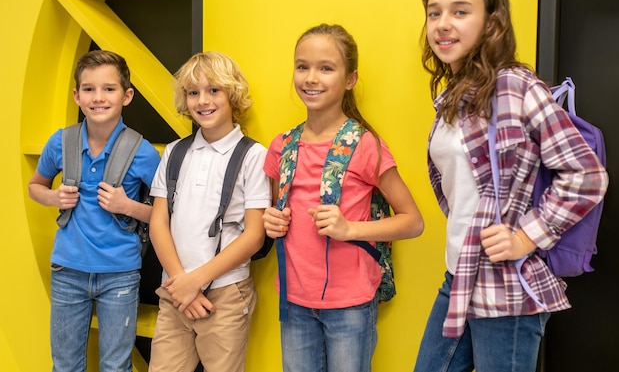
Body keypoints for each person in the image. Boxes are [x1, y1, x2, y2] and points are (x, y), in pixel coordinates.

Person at [413, 0, 609, 372]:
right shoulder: (453, 94)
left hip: (507, 287)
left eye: (460, 12)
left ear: (491, 23)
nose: (443, 24)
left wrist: (525, 237)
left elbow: (587, 176)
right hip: (459, 273)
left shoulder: (515, 87)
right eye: (434, 13)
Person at [262, 23, 425, 372]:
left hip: (350, 303)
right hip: (293, 300)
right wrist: (271, 221)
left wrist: (349, 228)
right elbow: (275, 211)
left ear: (350, 79)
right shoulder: (282, 145)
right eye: (302, 66)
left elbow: (413, 221)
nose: (311, 78)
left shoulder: (365, 145)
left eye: (326, 68)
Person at [28, 50, 161, 372]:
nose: (98, 97)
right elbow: (36, 186)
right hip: (67, 270)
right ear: (76, 95)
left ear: (127, 96)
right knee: (65, 365)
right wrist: (53, 197)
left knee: (116, 366)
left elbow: (165, 214)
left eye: (109, 89)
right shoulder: (60, 142)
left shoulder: (143, 152)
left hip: (120, 274)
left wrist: (127, 206)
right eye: (88, 89)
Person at [147, 51, 271, 372]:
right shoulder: (175, 152)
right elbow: (159, 223)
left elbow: (255, 235)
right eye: (193, 92)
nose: (203, 100)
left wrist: (197, 281)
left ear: (232, 94)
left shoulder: (254, 156)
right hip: (174, 290)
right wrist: (181, 284)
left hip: (226, 293)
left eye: (213, 90)